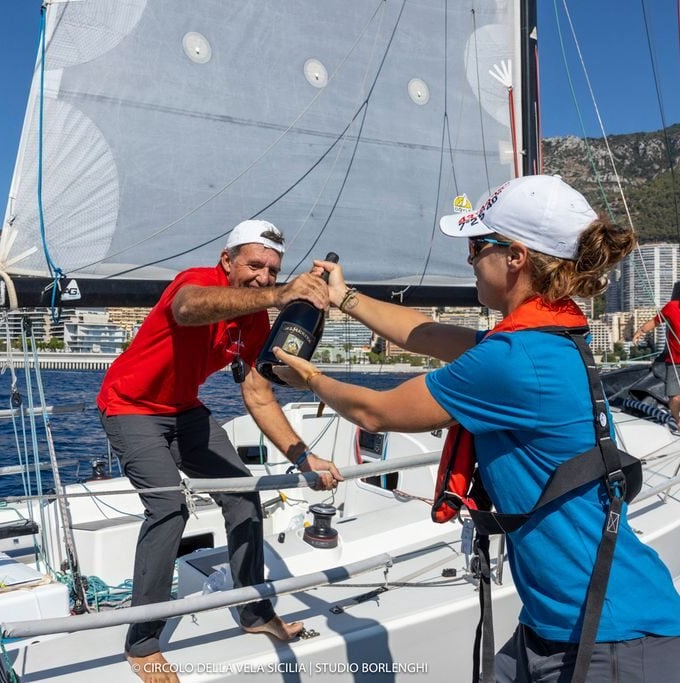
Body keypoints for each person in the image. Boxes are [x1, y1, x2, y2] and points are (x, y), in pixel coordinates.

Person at [274, 175, 680, 682]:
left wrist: (306, 375)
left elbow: (376, 413)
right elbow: (426, 333)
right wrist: (345, 297)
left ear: (515, 257)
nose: (468, 260)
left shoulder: (515, 361)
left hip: (610, 637)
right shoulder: (545, 336)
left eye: (475, 246)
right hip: (559, 623)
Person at [98, 219, 344, 682]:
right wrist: (279, 294)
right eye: (255, 265)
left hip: (184, 409)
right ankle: (143, 642)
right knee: (169, 507)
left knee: (242, 493)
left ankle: (253, 612)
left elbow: (257, 395)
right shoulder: (195, 283)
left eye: (273, 270)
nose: (264, 277)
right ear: (227, 261)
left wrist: (302, 457)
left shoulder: (255, 320)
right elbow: (189, 310)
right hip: (129, 406)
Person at [632, 282, 680, 423]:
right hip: (674, 362)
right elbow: (655, 321)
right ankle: (678, 421)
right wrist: (640, 331)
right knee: (675, 397)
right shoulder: (671, 307)